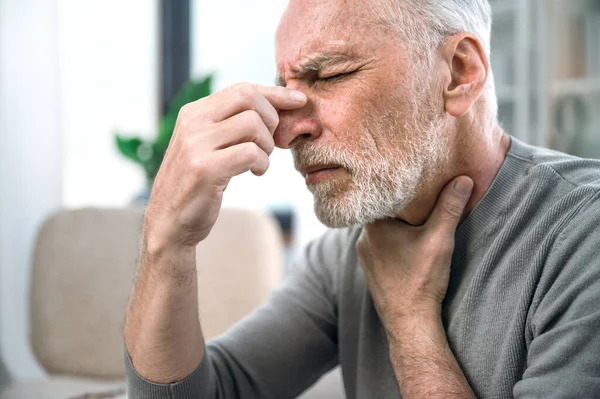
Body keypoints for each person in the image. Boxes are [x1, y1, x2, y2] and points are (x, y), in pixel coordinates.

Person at [124, 0, 600, 397]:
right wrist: (166, 243)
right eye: (285, 90)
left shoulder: (584, 235)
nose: (287, 132)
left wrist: (410, 319)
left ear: (459, 73)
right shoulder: (348, 250)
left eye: (328, 76)